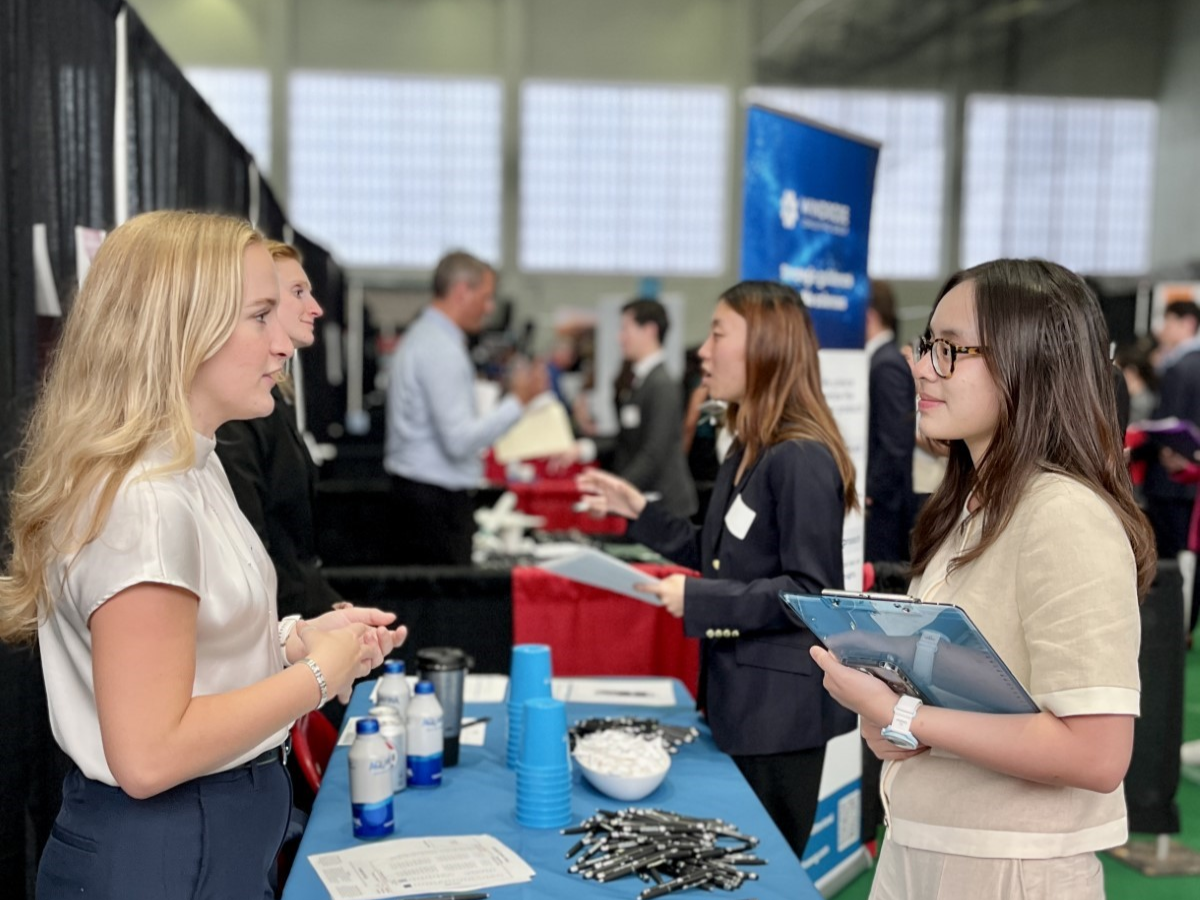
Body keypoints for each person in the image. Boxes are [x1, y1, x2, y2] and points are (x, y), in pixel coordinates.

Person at [0, 210, 407, 899]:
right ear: (180, 331)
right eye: (259, 317)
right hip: (166, 851)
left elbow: (182, 662)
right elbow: (151, 753)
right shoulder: (147, 500)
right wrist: (315, 674)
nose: (284, 344)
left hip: (198, 843)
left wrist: (291, 640)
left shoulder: (192, 464)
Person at [811, 259, 1155, 899]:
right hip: (927, 840)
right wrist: (887, 717)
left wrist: (905, 715)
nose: (921, 367)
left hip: (1009, 867)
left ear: (1032, 364)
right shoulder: (972, 505)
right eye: (926, 346)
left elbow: (1098, 755)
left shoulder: (1065, 515)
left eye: (950, 350)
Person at [577, 281, 859, 859]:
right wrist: (637, 512)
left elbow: (809, 591)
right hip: (742, 705)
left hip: (780, 722)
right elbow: (716, 551)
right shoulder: (749, 446)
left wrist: (702, 601)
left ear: (765, 349)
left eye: (717, 334)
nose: (702, 351)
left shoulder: (800, 457)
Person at [383, 251, 546, 565]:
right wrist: (518, 402)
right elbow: (459, 441)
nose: (489, 308)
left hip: (420, 496)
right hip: (433, 505)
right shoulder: (440, 348)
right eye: (485, 298)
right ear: (461, 292)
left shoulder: (429, 337)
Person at [217, 240, 341, 620]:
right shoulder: (234, 417)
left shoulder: (272, 401)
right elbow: (252, 556)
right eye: (298, 293)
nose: (315, 308)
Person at [562, 299, 697, 518]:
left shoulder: (662, 385)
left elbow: (654, 453)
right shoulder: (640, 381)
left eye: (626, 328)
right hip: (646, 500)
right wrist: (586, 448)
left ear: (650, 330)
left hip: (665, 506)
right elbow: (628, 440)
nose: (620, 337)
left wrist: (613, 492)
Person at [864, 279, 916, 562]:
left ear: (869, 315)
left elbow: (896, 440)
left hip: (886, 508)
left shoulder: (885, 365)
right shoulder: (880, 361)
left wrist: (871, 491)